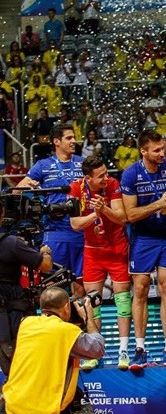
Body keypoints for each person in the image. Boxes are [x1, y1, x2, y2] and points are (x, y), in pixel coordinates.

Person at [121, 130, 166, 370]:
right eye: (156, 150)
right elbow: (130, 215)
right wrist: (159, 203)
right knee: (140, 288)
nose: (162, 154)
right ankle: (139, 348)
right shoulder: (131, 174)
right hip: (143, 238)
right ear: (143, 151)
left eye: (163, 149)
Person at [69, 156, 132, 371]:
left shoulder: (113, 184)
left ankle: (123, 350)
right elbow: (75, 223)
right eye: (101, 175)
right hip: (93, 251)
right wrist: (95, 214)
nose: (107, 177)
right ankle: (93, 353)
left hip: (116, 248)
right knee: (91, 303)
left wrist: (104, 209)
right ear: (88, 178)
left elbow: (122, 217)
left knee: (122, 300)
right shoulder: (76, 189)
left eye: (106, 172)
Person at [2, 287, 105, 414]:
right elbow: (98, 349)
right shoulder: (66, 331)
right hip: (42, 411)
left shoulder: (26, 324)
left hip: (11, 405)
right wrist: (89, 317)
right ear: (67, 307)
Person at [16, 123, 85, 294]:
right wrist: (30, 187)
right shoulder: (43, 165)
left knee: (81, 287)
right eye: (68, 138)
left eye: (73, 137)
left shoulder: (83, 164)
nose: (73, 141)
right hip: (55, 231)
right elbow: (17, 190)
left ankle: (80, 320)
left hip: (82, 231)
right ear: (56, 141)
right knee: (54, 288)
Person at [0, 225, 53, 375]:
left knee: (10, 370)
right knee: (22, 366)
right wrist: (45, 252)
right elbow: (46, 266)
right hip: (11, 314)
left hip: (6, 318)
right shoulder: (11, 243)